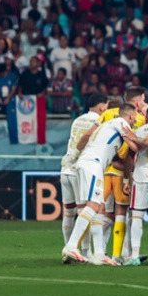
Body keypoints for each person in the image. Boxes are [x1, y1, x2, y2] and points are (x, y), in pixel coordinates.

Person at [61, 104, 139, 265]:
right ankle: (71, 245)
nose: (136, 120)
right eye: (136, 117)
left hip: (88, 163)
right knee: (94, 204)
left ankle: (99, 254)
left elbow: (86, 137)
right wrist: (143, 142)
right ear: (131, 116)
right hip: (92, 164)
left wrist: (73, 154)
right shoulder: (120, 122)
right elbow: (134, 145)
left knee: (100, 207)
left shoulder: (106, 125)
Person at [60, 92, 109, 261]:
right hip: (81, 169)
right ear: (103, 107)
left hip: (66, 169)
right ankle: (85, 251)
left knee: (68, 212)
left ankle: (68, 247)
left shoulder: (77, 120)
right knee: (85, 211)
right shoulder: (101, 123)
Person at [123, 105, 148, 265]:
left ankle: (134, 254)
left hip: (141, 176)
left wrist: (127, 179)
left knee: (137, 216)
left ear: (147, 117)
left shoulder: (139, 131)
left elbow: (131, 154)